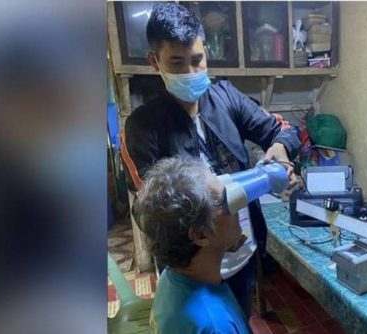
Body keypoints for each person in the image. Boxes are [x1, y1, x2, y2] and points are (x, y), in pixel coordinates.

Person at [120, 3, 300, 318]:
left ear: (206, 54)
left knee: (237, 318)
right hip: (193, 266)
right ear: (154, 61)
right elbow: (149, 211)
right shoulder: (141, 126)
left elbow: (281, 130)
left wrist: (281, 150)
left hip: (242, 250)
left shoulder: (227, 97)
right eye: (176, 62)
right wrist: (207, 225)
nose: (189, 72)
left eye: (196, 60)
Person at [134, 158, 251, 334]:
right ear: (200, 234)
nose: (235, 203)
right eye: (224, 201)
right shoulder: (216, 326)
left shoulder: (171, 277)